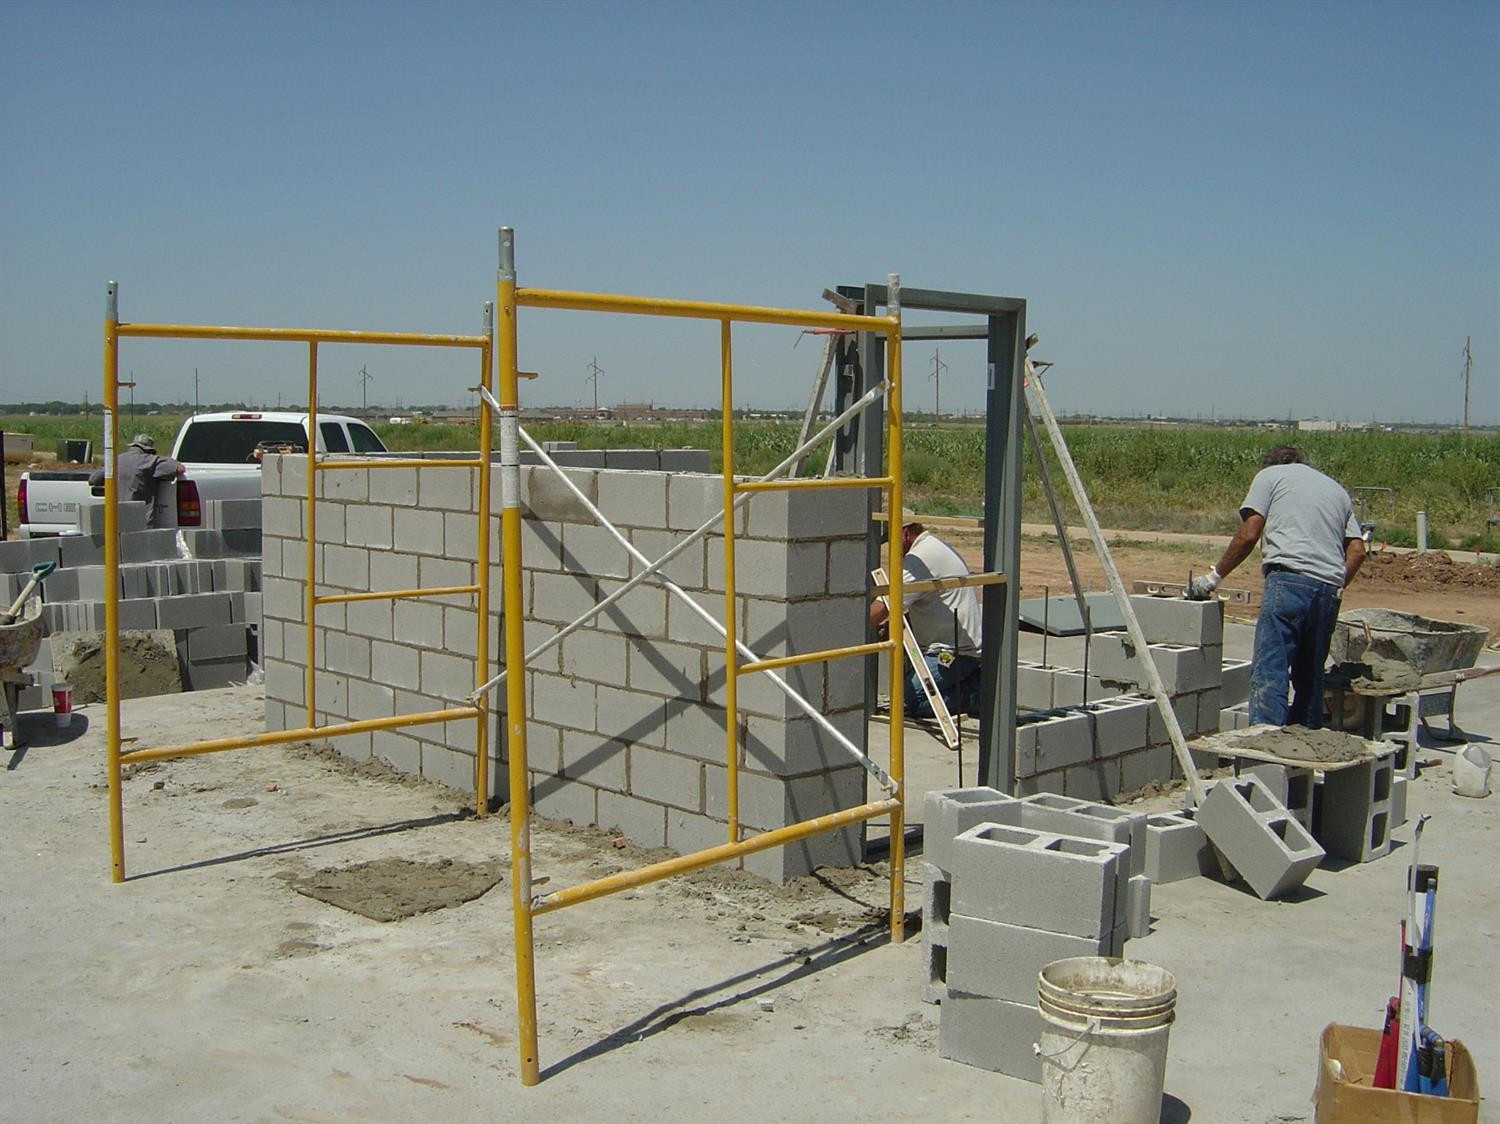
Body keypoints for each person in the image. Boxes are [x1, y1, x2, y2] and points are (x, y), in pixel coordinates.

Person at [1187, 445, 1365, 728]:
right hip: (1329, 589)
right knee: (1310, 678)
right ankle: (1302, 757)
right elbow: (1357, 551)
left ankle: (1265, 755)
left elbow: (1249, 534)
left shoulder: (1269, 477)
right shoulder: (1336, 490)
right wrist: (1335, 586)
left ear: (1270, 465)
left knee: (1270, 672)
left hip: (1288, 581)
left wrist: (1213, 578)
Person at [869, 514, 984, 718]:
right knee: (908, 691)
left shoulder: (919, 560)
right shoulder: (934, 546)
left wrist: (846, 628)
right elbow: (929, 602)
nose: (891, 550)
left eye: (892, 541)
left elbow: (878, 612)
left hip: (953, 652)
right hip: (949, 646)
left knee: (904, 703)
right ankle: (968, 681)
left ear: (905, 534)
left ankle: (973, 694)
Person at [88, 433, 185, 528]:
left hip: (116, 518)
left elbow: (93, 480)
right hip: (140, 521)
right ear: (148, 450)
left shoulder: (116, 460)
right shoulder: (150, 461)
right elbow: (180, 469)